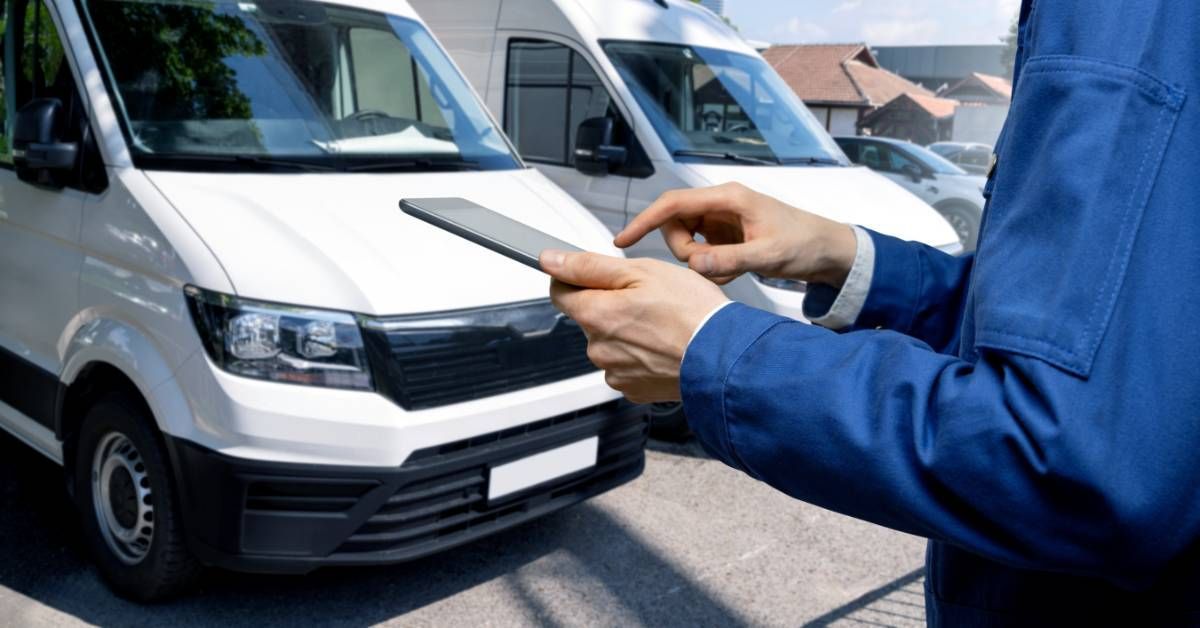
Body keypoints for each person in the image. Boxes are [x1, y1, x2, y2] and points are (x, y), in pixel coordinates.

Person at [538, 1, 1200, 624]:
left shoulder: (1128, 20)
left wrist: (712, 350)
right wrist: (846, 256)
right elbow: (1101, 333)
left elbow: (1074, 463)